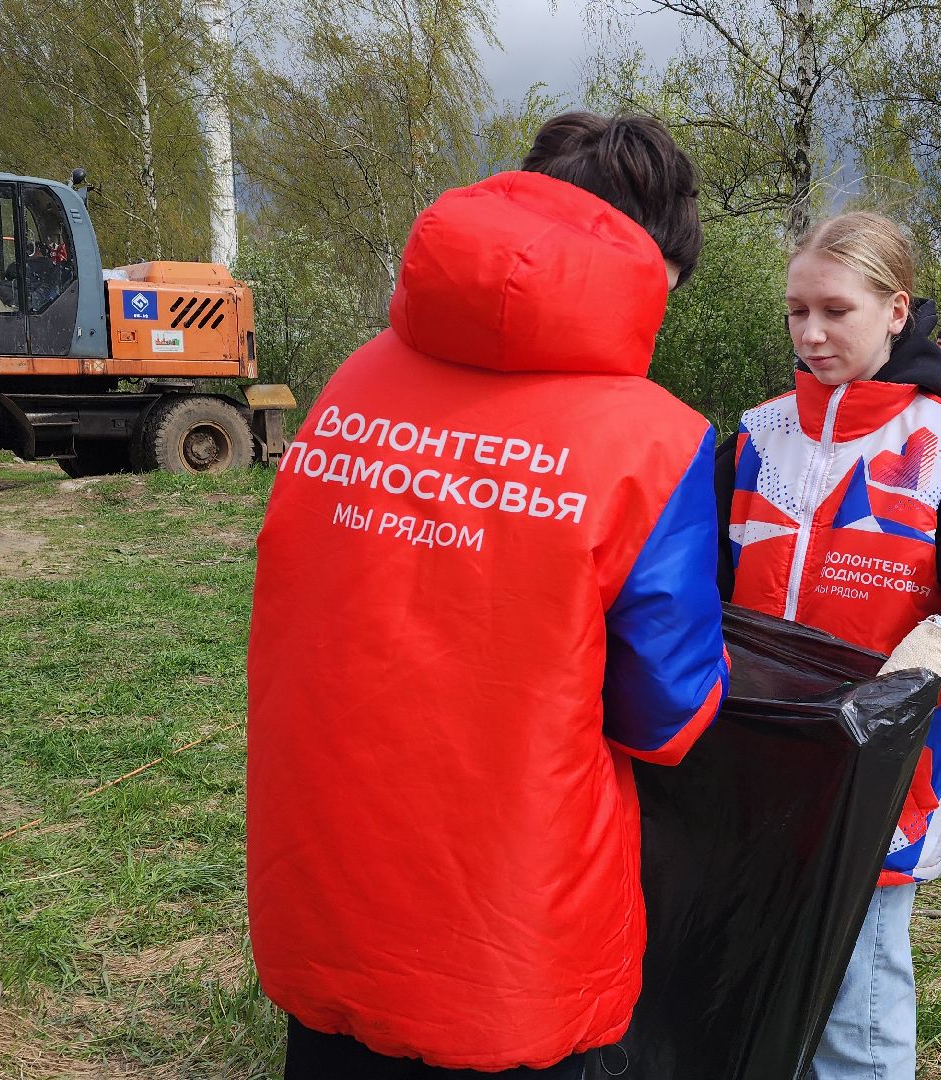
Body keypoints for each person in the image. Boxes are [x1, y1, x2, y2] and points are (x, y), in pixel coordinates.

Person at [246, 112, 730, 1080]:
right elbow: (664, 716)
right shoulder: (655, 440)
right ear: (651, 259)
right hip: (516, 939)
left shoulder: (353, 381)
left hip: (331, 892)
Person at [716, 212, 941, 1079]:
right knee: (753, 986)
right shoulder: (753, 439)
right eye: (795, 311)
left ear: (896, 310)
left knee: (855, 1007)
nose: (811, 333)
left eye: (835, 311)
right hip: (748, 765)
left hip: (882, 775)